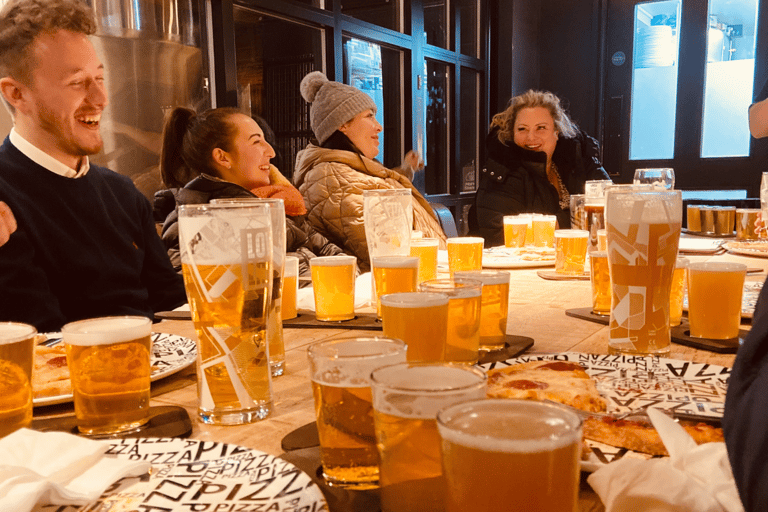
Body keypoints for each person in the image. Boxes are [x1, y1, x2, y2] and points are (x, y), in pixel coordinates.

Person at [0, 0, 186, 331]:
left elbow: (171, 303)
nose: (100, 98)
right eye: (77, 82)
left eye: (99, 77)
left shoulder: (122, 192)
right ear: (17, 93)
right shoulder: (5, 196)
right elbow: (38, 342)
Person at [155, 107, 348, 277]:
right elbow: (194, 295)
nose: (271, 151)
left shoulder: (277, 201)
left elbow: (337, 258)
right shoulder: (196, 220)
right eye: (256, 142)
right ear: (222, 157)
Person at [294, 71, 446, 272]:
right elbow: (391, 254)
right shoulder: (331, 178)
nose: (379, 127)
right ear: (342, 124)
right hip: (391, 291)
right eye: (369, 116)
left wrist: (404, 169)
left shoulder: (347, 172)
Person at [469, 89, 610, 247]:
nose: (531, 137)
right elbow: (505, 237)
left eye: (541, 128)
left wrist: (559, 224)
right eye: (522, 129)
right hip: (509, 266)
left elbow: (611, 207)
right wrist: (576, 219)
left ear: (556, 132)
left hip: (576, 258)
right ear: (512, 133)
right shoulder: (503, 169)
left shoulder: (577, 159)